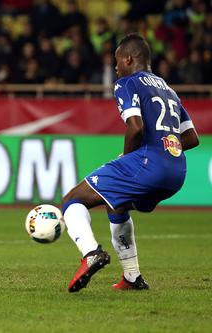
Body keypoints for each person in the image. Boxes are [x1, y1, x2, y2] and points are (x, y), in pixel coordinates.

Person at [61, 34, 199, 293]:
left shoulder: (127, 82)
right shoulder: (167, 89)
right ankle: (132, 277)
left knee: (72, 199)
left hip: (148, 163)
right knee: (117, 206)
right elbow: (191, 137)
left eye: (116, 62)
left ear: (128, 58)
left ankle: (90, 253)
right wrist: (166, 146)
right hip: (176, 171)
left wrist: (129, 158)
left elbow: (135, 127)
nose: (115, 68)